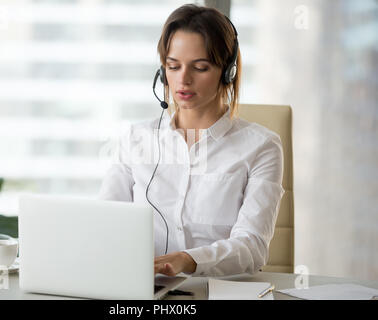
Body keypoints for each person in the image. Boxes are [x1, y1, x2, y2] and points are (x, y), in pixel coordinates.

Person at [98, 4, 284, 277]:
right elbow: (102, 222)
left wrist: (191, 260)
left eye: (200, 67)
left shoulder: (262, 147)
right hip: (141, 289)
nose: (183, 79)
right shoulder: (136, 140)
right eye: (173, 66)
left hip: (218, 290)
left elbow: (252, 246)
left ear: (227, 72)